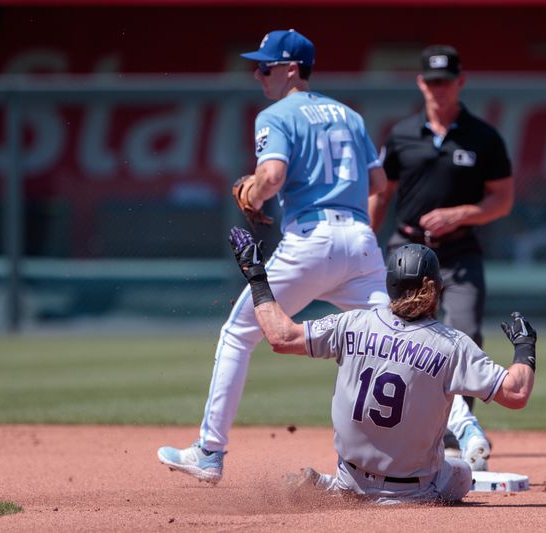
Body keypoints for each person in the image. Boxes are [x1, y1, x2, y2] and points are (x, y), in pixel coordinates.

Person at [157, 30, 490, 484]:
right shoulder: (350, 116)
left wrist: (253, 192)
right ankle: (467, 430)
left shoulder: (276, 114)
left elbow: (271, 176)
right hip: (358, 242)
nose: (258, 75)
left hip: (310, 241)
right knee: (410, 339)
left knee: (239, 334)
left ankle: (210, 452)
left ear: (291, 68)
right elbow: (375, 185)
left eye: (266, 67)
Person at [228, 226, 537, 504]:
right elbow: (516, 393)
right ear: (435, 289)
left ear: (390, 284)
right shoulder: (451, 344)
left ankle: (333, 486)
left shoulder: (353, 322)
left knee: (355, 478)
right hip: (415, 489)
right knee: (463, 473)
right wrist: (524, 348)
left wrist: (256, 274)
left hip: (353, 476)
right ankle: (348, 488)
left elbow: (281, 336)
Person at [369, 44, 515, 465]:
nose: (438, 89)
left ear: (460, 82)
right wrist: (366, 238)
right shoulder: (400, 134)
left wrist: (461, 213)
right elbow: (382, 193)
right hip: (407, 251)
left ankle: (460, 429)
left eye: (446, 81)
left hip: (459, 250)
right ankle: (401, 425)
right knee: (395, 337)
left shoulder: (483, 137)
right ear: (420, 83)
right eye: (431, 81)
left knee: (466, 334)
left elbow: (502, 200)